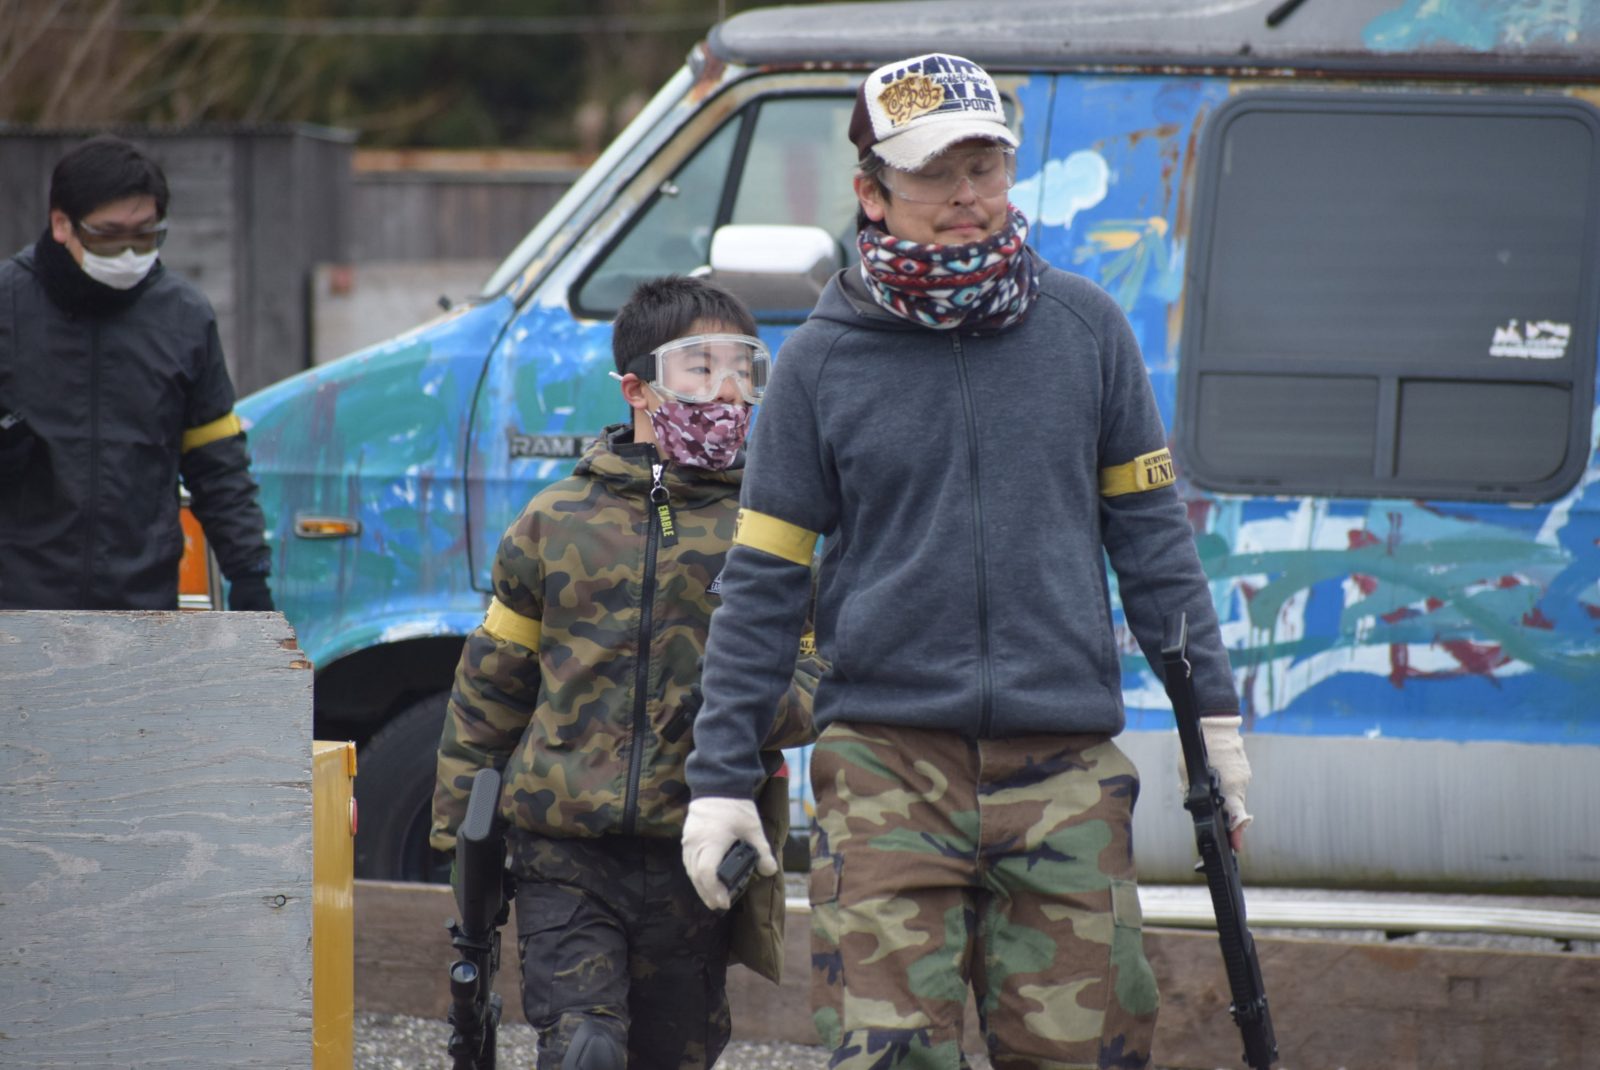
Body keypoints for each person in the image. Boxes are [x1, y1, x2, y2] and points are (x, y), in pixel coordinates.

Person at [680, 53, 1255, 1069]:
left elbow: (1155, 544)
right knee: (887, 1055)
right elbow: (763, 585)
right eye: (934, 174)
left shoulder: (1086, 330)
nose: (965, 197)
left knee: (1089, 1053)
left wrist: (1211, 721)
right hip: (884, 768)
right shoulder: (817, 363)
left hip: (1064, 769)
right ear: (871, 192)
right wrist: (721, 776)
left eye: (983, 168)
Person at [430, 275, 821, 1070]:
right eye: (701, 368)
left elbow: (818, 676)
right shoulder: (554, 521)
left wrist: (745, 706)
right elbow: (492, 686)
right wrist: (461, 841)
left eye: (743, 369)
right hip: (563, 850)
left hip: (698, 846)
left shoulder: (769, 530)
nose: (728, 391)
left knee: (672, 1054)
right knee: (584, 1047)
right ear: (637, 387)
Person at [0, 134, 273, 612]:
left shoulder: (185, 318)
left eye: (145, 235)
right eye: (108, 235)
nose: (128, 253)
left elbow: (218, 464)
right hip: (14, 603)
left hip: (140, 606)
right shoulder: (7, 306)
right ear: (62, 224)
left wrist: (249, 576)